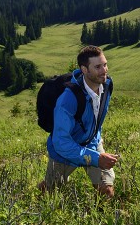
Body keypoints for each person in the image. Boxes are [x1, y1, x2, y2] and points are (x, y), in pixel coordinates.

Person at [38, 45, 118, 198]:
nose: (104, 70)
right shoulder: (68, 99)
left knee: (107, 192)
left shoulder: (106, 85)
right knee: (50, 192)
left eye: (105, 64)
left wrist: (96, 147)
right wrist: (96, 158)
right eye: (98, 67)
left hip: (92, 143)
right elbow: (61, 142)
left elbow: (95, 118)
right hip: (65, 150)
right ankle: (41, 190)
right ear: (84, 69)